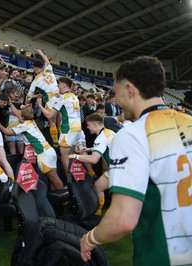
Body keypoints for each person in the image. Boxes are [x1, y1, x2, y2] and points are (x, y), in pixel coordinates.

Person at [80, 56, 192, 265]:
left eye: (117, 92)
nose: (117, 101)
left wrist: (90, 238)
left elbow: (123, 220)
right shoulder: (189, 122)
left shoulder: (133, 134)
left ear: (130, 89)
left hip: (163, 255)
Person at [0, 106, 65, 191]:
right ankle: (57, 199)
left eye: (19, 116)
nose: (18, 117)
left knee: (54, 179)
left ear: (23, 117)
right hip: (49, 150)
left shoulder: (24, 126)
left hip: (44, 153)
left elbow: (7, 132)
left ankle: (64, 199)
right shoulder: (31, 121)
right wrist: (11, 104)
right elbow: (19, 114)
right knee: (52, 179)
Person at [68, 113, 115, 215]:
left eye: (88, 125)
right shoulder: (109, 132)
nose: (87, 127)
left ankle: (98, 213)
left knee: (98, 186)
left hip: (117, 169)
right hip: (123, 167)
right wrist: (90, 149)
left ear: (94, 124)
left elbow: (93, 160)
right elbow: (106, 146)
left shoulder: (100, 138)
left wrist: (75, 156)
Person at [37, 77, 84, 176]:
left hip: (68, 129)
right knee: (71, 155)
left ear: (63, 85)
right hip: (77, 128)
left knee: (64, 157)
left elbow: (50, 115)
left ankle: (70, 183)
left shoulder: (63, 98)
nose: (57, 86)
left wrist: (40, 105)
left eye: (59, 84)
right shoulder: (74, 96)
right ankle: (75, 179)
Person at [25, 49, 60, 147]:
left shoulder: (35, 81)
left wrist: (29, 101)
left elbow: (29, 96)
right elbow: (47, 61)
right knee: (59, 119)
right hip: (59, 96)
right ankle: (62, 138)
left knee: (52, 121)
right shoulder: (48, 70)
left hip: (50, 99)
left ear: (35, 69)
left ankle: (55, 143)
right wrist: (40, 53)